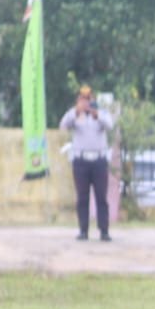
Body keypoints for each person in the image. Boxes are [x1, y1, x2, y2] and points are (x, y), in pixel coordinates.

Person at [58, 84, 113, 241]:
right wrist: (77, 111)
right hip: (81, 160)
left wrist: (96, 115)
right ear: (78, 100)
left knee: (101, 197)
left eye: (88, 99)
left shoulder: (101, 113)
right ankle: (83, 230)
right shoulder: (74, 114)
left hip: (99, 160)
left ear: (93, 99)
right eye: (83, 99)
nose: (86, 102)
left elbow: (110, 125)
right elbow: (63, 125)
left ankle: (104, 230)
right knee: (82, 197)